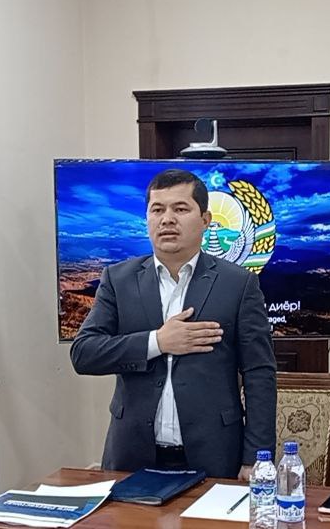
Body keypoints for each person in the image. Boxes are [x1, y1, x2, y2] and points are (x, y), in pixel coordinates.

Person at [71, 168, 277, 480]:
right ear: (147, 219)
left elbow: (259, 373)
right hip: (131, 455)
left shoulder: (238, 284)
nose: (167, 219)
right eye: (157, 210)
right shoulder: (118, 279)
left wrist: (255, 457)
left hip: (215, 454)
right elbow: (84, 354)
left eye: (180, 209)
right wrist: (157, 342)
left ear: (205, 220)